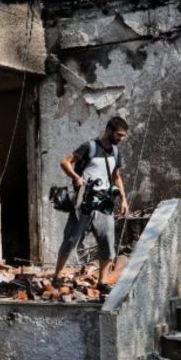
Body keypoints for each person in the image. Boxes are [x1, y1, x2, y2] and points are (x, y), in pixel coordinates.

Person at [53, 115, 130, 286]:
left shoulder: (116, 152)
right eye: (119, 134)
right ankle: (57, 276)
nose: (121, 138)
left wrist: (123, 199)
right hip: (84, 203)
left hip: (104, 205)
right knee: (70, 241)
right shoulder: (89, 147)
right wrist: (76, 177)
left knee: (107, 245)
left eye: (123, 135)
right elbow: (65, 162)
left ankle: (102, 283)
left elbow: (116, 176)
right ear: (109, 130)